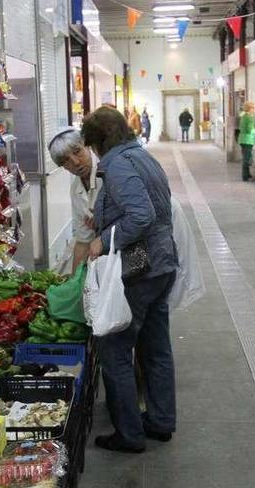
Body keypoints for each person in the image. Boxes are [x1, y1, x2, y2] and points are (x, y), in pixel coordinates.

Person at [82, 106, 178, 453]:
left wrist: (103, 240)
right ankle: (161, 421)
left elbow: (141, 214)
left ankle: (130, 434)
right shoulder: (142, 156)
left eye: (91, 145)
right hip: (163, 261)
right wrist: (105, 220)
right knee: (156, 348)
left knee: (115, 349)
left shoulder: (118, 164)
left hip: (141, 264)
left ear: (100, 141)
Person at [47, 128, 102, 271]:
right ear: (63, 167)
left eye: (77, 151)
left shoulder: (109, 172)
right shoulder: (75, 189)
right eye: (66, 160)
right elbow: (83, 240)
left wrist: (104, 220)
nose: (76, 162)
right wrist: (74, 282)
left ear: (87, 146)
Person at [238, 101, 255, 181]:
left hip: (242, 139)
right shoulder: (249, 118)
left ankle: (247, 174)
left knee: (246, 157)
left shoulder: (244, 116)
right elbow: (250, 130)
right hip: (247, 140)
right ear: (250, 109)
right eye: (253, 108)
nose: (254, 110)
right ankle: (245, 176)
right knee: (247, 158)